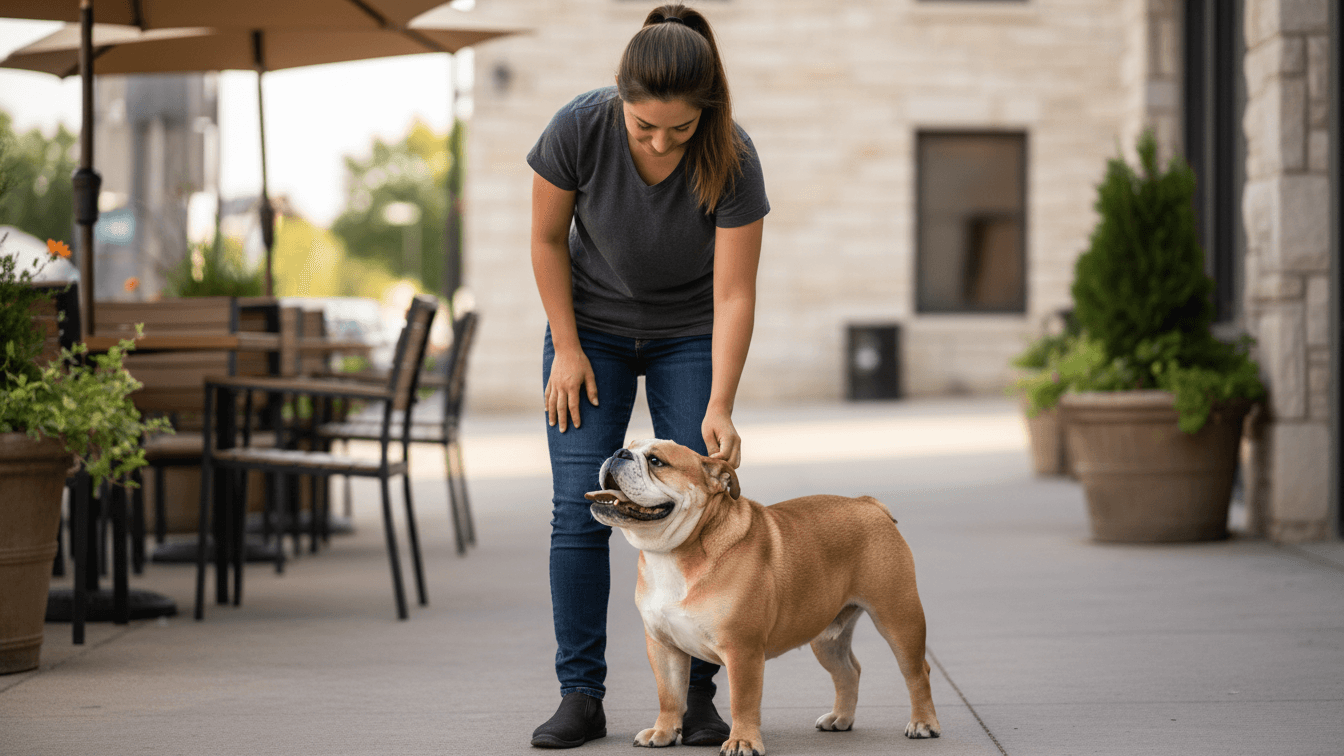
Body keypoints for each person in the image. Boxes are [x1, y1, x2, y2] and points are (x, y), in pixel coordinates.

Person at [526, 3, 769, 749]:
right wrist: (567, 347)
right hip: (589, 331)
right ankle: (580, 695)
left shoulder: (733, 154)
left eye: (680, 129)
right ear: (620, 101)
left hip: (688, 334)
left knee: (701, 507)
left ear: (708, 112)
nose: (662, 142)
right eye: (645, 127)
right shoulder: (578, 127)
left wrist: (720, 400)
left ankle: (697, 698)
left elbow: (733, 293)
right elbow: (544, 238)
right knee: (580, 509)